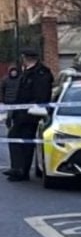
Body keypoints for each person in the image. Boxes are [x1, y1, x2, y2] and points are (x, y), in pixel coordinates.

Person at [6, 49, 54, 182]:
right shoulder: (27, 71)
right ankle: (19, 169)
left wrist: (31, 109)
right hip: (21, 113)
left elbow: (41, 95)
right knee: (18, 139)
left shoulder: (41, 73)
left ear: (26, 57)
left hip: (30, 114)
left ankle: (20, 170)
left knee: (21, 140)